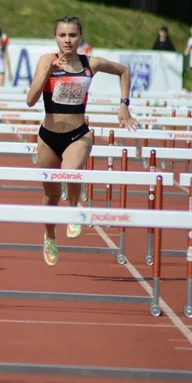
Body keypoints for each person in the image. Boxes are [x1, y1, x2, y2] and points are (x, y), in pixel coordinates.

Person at [25, 16, 138, 267]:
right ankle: (50, 235)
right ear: (56, 37)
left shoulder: (90, 63)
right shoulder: (47, 60)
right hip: (48, 137)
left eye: (72, 35)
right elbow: (30, 100)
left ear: (81, 37)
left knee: (70, 171)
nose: (67, 40)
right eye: (63, 35)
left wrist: (124, 105)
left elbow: (124, 71)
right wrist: (47, 73)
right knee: (51, 197)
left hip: (79, 133)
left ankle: (74, 207)